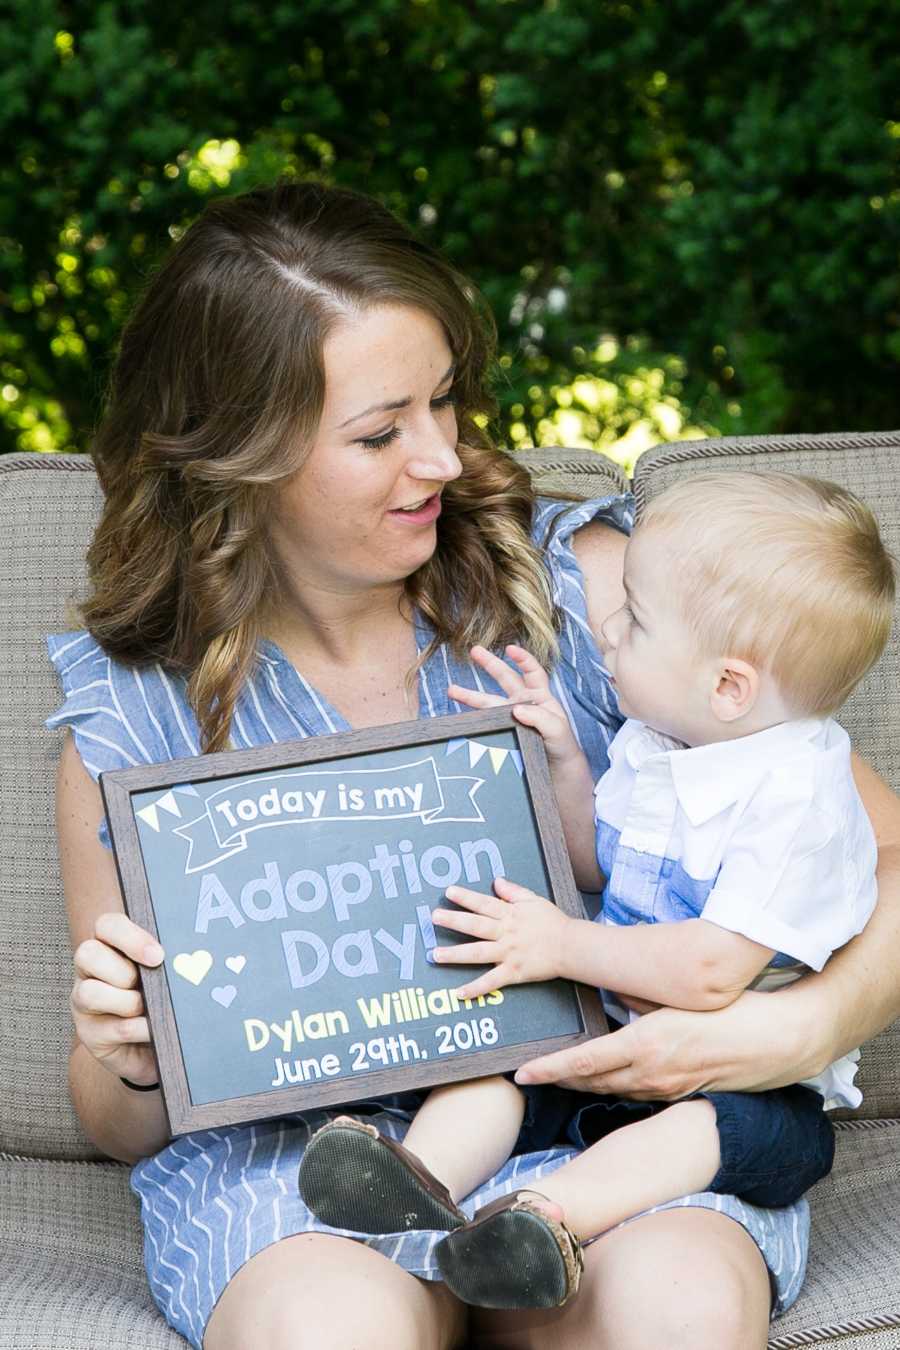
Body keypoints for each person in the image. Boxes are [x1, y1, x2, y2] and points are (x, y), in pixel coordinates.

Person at [49, 179, 900, 1350]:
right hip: (297, 1162)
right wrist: (123, 1048)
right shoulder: (135, 707)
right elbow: (121, 1123)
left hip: (608, 1119)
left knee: (676, 1312)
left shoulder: (600, 593)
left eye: (444, 401)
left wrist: (804, 1027)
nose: (443, 457)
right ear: (237, 452)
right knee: (330, 1332)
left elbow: (880, 854)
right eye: (380, 432)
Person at [301, 471, 891, 1311]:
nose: (604, 630)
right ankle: (413, 1180)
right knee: (499, 1065)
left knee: (707, 1134)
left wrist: (560, 943)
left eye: (635, 621)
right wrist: (565, 758)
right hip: (608, 1043)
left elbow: (712, 972)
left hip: (741, 1086)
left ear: (729, 685)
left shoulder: (798, 802)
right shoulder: (666, 740)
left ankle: (536, 1224)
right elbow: (600, 867)